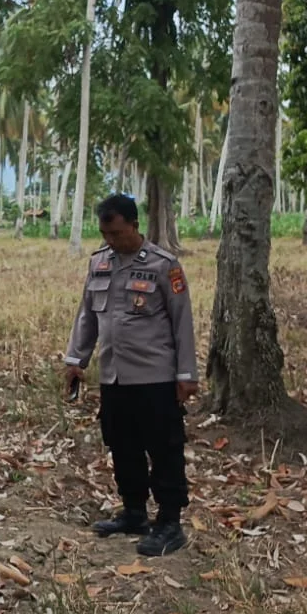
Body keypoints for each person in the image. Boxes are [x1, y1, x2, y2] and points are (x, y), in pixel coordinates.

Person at [61, 194, 197, 557]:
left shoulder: (163, 266)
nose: (111, 241)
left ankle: (170, 521)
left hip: (155, 376)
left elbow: (183, 322)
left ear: (135, 226)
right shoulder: (99, 264)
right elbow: (87, 315)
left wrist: (186, 374)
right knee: (122, 445)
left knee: (164, 448)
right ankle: (134, 511)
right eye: (105, 234)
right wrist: (77, 359)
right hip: (115, 376)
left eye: (118, 233)